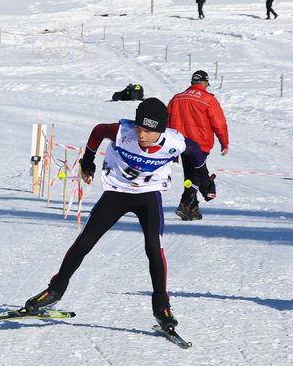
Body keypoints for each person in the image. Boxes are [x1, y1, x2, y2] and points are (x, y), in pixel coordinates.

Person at [20, 98, 217, 334]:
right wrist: (88, 161)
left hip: (148, 196)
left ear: (161, 130)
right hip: (117, 193)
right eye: (139, 128)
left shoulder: (175, 141)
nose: (142, 135)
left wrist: (205, 183)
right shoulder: (122, 131)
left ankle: (162, 308)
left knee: (154, 249)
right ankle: (55, 291)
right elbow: (98, 131)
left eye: (148, 131)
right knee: (85, 242)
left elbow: (196, 154)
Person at [167, 70, 228, 221]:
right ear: (205, 83)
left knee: (190, 175)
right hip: (200, 143)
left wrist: (170, 147)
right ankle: (185, 203)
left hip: (180, 143)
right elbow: (219, 123)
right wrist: (224, 142)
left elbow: (166, 122)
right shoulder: (208, 99)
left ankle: (193, 209)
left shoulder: (176, 98)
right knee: (196, 176)